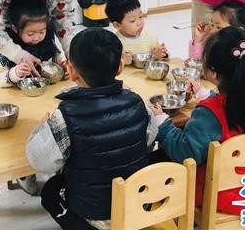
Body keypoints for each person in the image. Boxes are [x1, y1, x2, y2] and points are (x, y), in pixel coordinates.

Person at [25, 28, 158, 230]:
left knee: (51, 190)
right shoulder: (137, 103)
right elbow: (150, 138)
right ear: (120, 67)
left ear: (71, 72)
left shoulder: (66, 115)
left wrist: (42, 127)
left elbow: (38, 160)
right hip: (137, 206)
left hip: (95, 216)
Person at [151, 27, 245, 215]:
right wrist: (206, 95)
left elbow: (186, 153)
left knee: (157, 159)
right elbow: (231, 109)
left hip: (216, 194)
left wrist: (163, 123)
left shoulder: (208, 114)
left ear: (214, 73)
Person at [0, 0, 62, 88]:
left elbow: (57, 64)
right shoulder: (6, 49)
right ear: (15, 29)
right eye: (30, 34)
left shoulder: (48, 43)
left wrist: (63, 70)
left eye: (42, 32)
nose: (37, 38)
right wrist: (15, 73)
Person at [189, 0, 245, 81]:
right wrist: (198, 40)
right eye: (212, 25)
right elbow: (197, 69)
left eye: (218, 27)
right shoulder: (218, 43)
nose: (211, 31)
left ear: (239, 31)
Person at [105, 0, 168, 65]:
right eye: (132, 20)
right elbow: (108, 67)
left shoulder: (150, 37)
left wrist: (160, 55)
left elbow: (165, 57)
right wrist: (122, 61)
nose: (139, 23)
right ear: (117, 25)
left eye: (140, 16)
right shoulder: (114, 43)